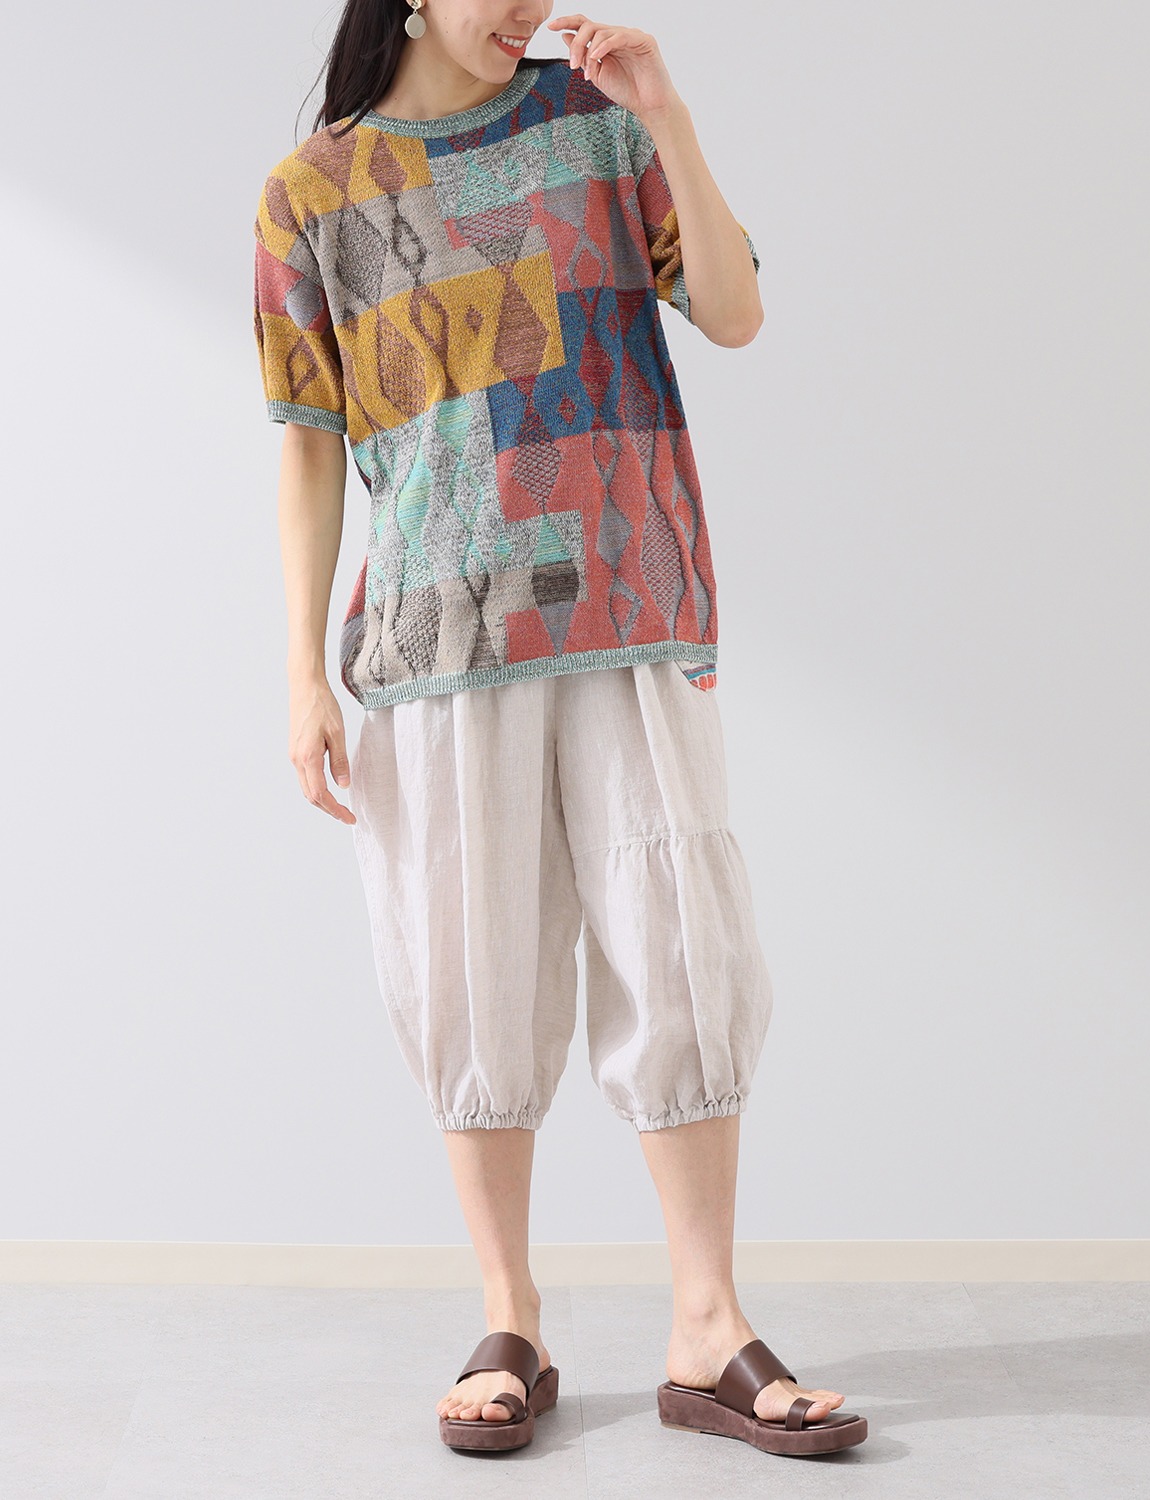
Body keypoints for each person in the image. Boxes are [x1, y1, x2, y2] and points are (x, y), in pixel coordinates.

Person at [252, 0, 867, 1459]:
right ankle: (509, 1318)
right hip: (435, 635)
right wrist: (298, 672)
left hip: (626, 602)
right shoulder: (312, 194)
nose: (528, 5)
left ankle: (707, 1325)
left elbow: (734, 312)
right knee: (469, 970)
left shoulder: (597, 127)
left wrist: (669, 117)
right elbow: (309, 447)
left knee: (683, 952)